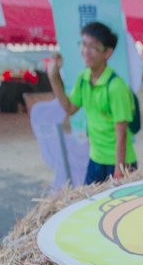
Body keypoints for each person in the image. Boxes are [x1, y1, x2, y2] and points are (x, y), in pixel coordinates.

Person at [47, 21, 137, 184]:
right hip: (96, 159)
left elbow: (121, 132)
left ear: (107, 52)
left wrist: (119, 169)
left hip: (120, 162)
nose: (86, 51)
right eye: (84, 44)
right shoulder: (83, 79)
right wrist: (54, 76)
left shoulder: (116, 86)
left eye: (93, 47)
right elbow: (70, 108)